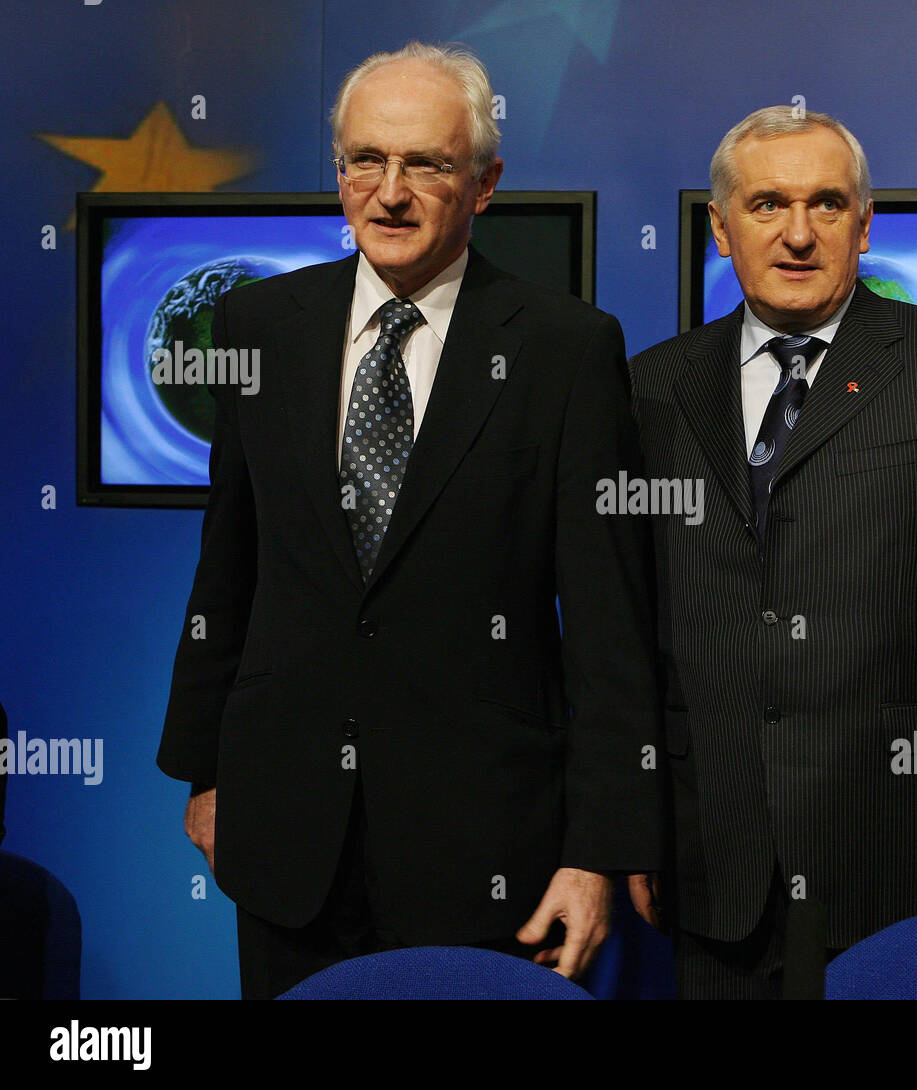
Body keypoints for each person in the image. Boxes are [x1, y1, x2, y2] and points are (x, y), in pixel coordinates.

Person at [157, 41, 661, 999]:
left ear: (483, 183)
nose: (389, 193)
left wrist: (597, 852)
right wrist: (206, 771)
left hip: (486, 848)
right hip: (286, 833)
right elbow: (227, 566)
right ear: (339, 172)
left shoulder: (564, 351)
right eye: (364, 161)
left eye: (426, 164)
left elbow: (610, 633)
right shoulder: (263, 326)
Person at [626, 107, 917, 999]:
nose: (797, 234)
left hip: (894, 854)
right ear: (720, 226)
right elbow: (632, 627)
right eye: (766, 205)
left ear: (864, 225)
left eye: (826, 205)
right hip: (712, 863)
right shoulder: (654, 385)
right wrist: (630, 821)